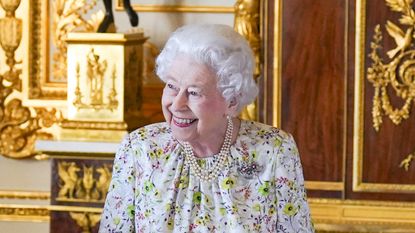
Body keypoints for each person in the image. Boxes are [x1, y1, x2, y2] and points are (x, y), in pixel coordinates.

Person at [99, 24, 314, 232]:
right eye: (172, 86)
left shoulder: (274, 150)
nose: (176, 104)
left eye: (194, 92)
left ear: (231, 101)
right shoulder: (139, 150)